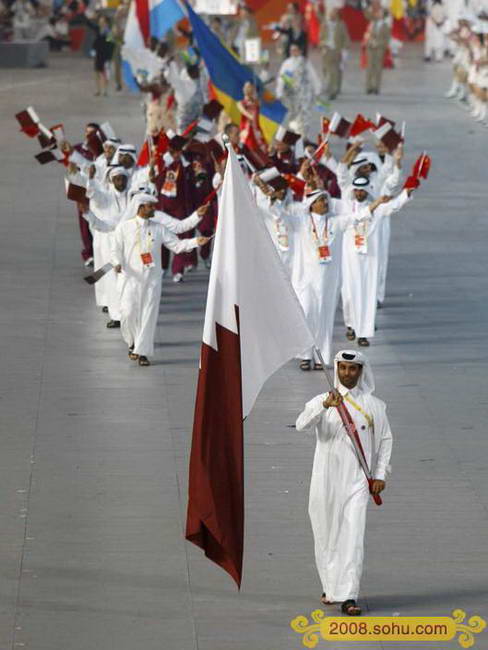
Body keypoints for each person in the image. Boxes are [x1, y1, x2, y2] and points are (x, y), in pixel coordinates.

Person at [296, 349, 393, 616]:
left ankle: (348, 595)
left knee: (352, 536)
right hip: (325, 480)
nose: (347, 374)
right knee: (326, 532)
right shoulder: (322, 400)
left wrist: (381, 475)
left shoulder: (375, 406)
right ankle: (331, 587)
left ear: (361, 372)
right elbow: (301, 424)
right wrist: (324, 406)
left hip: (357, 482)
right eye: (342, 368)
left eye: (353, 369)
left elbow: (385, 441)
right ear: (337, 369)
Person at [111, 194, 211, 366]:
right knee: (127, 313)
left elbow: (177, 246)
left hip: (152, 280)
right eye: (150, 206)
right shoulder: (124, 228)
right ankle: (132, 342)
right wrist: (117, 263)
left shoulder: (159, 228)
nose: (154, 209)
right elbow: (115, 251)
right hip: (131, 279)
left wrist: (196, 241)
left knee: (148, 316)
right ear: (141, 207)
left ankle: (142, 352)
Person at [341, 182, 413, 347]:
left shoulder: (378, 209)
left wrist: (406, 193)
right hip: (349, 258)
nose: (359, 193)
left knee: (368, 295)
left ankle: (364, 333)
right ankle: (351, 324)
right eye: (356, 190)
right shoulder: (345, 207)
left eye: (362, 190)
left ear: (367, 191)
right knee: (349, 295)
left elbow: (394, 206)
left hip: (369, 258)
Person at [276, 43, 322, 138]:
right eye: (292, 50)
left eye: (296, 50)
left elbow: (313, 76)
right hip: (292, 96)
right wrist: (279, 92)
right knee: (293, 117)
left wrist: (317, 89)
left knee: (305, 116)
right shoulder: (287, 63)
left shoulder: (305, 63)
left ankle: (304, 136)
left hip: (305, 95)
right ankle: (295, 134)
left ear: (300, 51)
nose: (294, 52)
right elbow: (281, 79)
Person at [320, 7, 350, 100]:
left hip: (336, 50)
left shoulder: (341, 25)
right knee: (326, 70)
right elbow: (321, 37)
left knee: (334, 71)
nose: (332, 15)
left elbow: (346, 37)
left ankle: (333, 90)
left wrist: (344, 49)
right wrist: (322, 45)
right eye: (330, 13)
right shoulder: (325, 24)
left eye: (334, 13)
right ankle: (330, 86)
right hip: (326, 50)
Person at [85, 13, 115, 97]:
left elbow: (111, 44)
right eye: (100, 21)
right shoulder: (98, 29)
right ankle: (98, 90)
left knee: (105, 72)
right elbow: (89, 24)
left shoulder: (109, 32)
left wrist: (110, 55)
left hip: (105, 54)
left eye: (102, 21)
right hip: (98, 52)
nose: (101, 23)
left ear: (107, 23)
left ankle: (105, 90)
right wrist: (89, 17)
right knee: (97, 71)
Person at [363, 6, 390, 94]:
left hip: (379, 49)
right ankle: (368, 87)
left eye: (380, 13)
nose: (378, 14)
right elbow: (366, 14)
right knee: (369, 67)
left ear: (383, 15)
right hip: (370, 47)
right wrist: (366, 6)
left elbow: (386, 39)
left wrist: (378, 44)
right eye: (377, 12)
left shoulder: (385, 26)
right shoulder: (373, 22)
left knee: (378, 68)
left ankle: (376, 87)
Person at [237, 81, 267, 153]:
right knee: (246, 150)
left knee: (263, 150)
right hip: (246, 132)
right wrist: (249, 115)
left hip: (256, 131)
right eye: (246, 87)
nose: (247, 89)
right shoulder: (240, 103)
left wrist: (254, 96)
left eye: (250, 87)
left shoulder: (256, 102)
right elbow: (243, 110)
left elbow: (260, 103)